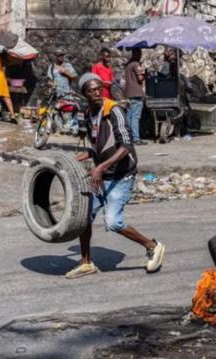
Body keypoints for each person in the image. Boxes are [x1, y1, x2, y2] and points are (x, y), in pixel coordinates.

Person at [66, 72, 165, 279]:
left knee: (113, 222)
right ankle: (86, 263)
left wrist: (100, 168)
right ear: (84, 93)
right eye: (91, 90)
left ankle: (152, 246)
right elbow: (97, 147)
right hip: (101, 176)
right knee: (84, 217)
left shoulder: (114, 110)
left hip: (121, 175)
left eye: (98, 89)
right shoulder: (88, 113)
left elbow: (126, 146)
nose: (96, 93)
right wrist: (78, 159)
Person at [124, 48, 147, 145]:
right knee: (135, 117)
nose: (141, 55)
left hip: (128, 93)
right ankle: (136, 139)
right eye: (140, 53)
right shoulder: (136, 64)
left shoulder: (128, 64)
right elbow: (140, 78)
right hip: (136, 93)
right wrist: (144, 74)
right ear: (136, 53)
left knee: (129, 116)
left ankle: (128, 137)